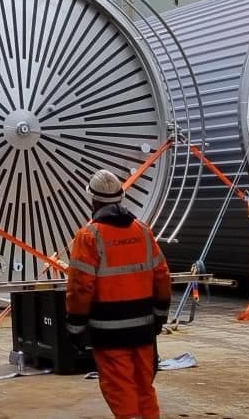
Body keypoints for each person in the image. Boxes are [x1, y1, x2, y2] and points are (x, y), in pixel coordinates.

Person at [65, 169, 171, 419]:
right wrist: (160, 317)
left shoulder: (88, 236)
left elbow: (80, 287)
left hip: (109, 333)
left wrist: (75, 327)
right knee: (144, 387)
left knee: (121, 391)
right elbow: (162, 276)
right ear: (121, 196)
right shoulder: (143, 231)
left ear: (93, 200)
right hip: (143, 330)